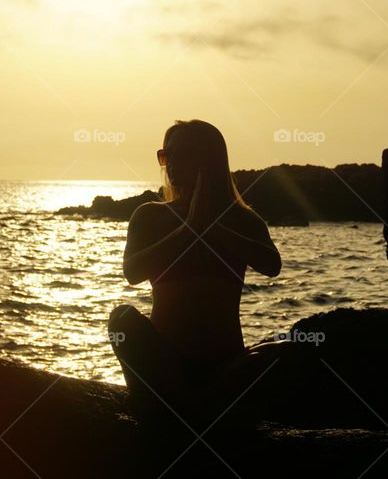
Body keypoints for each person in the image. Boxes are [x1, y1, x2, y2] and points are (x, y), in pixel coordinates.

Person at [108, 119, 283, 420]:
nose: (172, 163)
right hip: (166, 360)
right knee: (122, 319)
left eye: (183, 154)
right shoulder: (150, 215)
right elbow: (133, 272)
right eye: (167, 155)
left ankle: (187, 406)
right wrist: (189, 229)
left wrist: (210, 227)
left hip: (224, 363)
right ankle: (179, 404)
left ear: (210, 160)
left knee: (284, 351)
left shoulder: (242, 220)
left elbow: (272, 265)